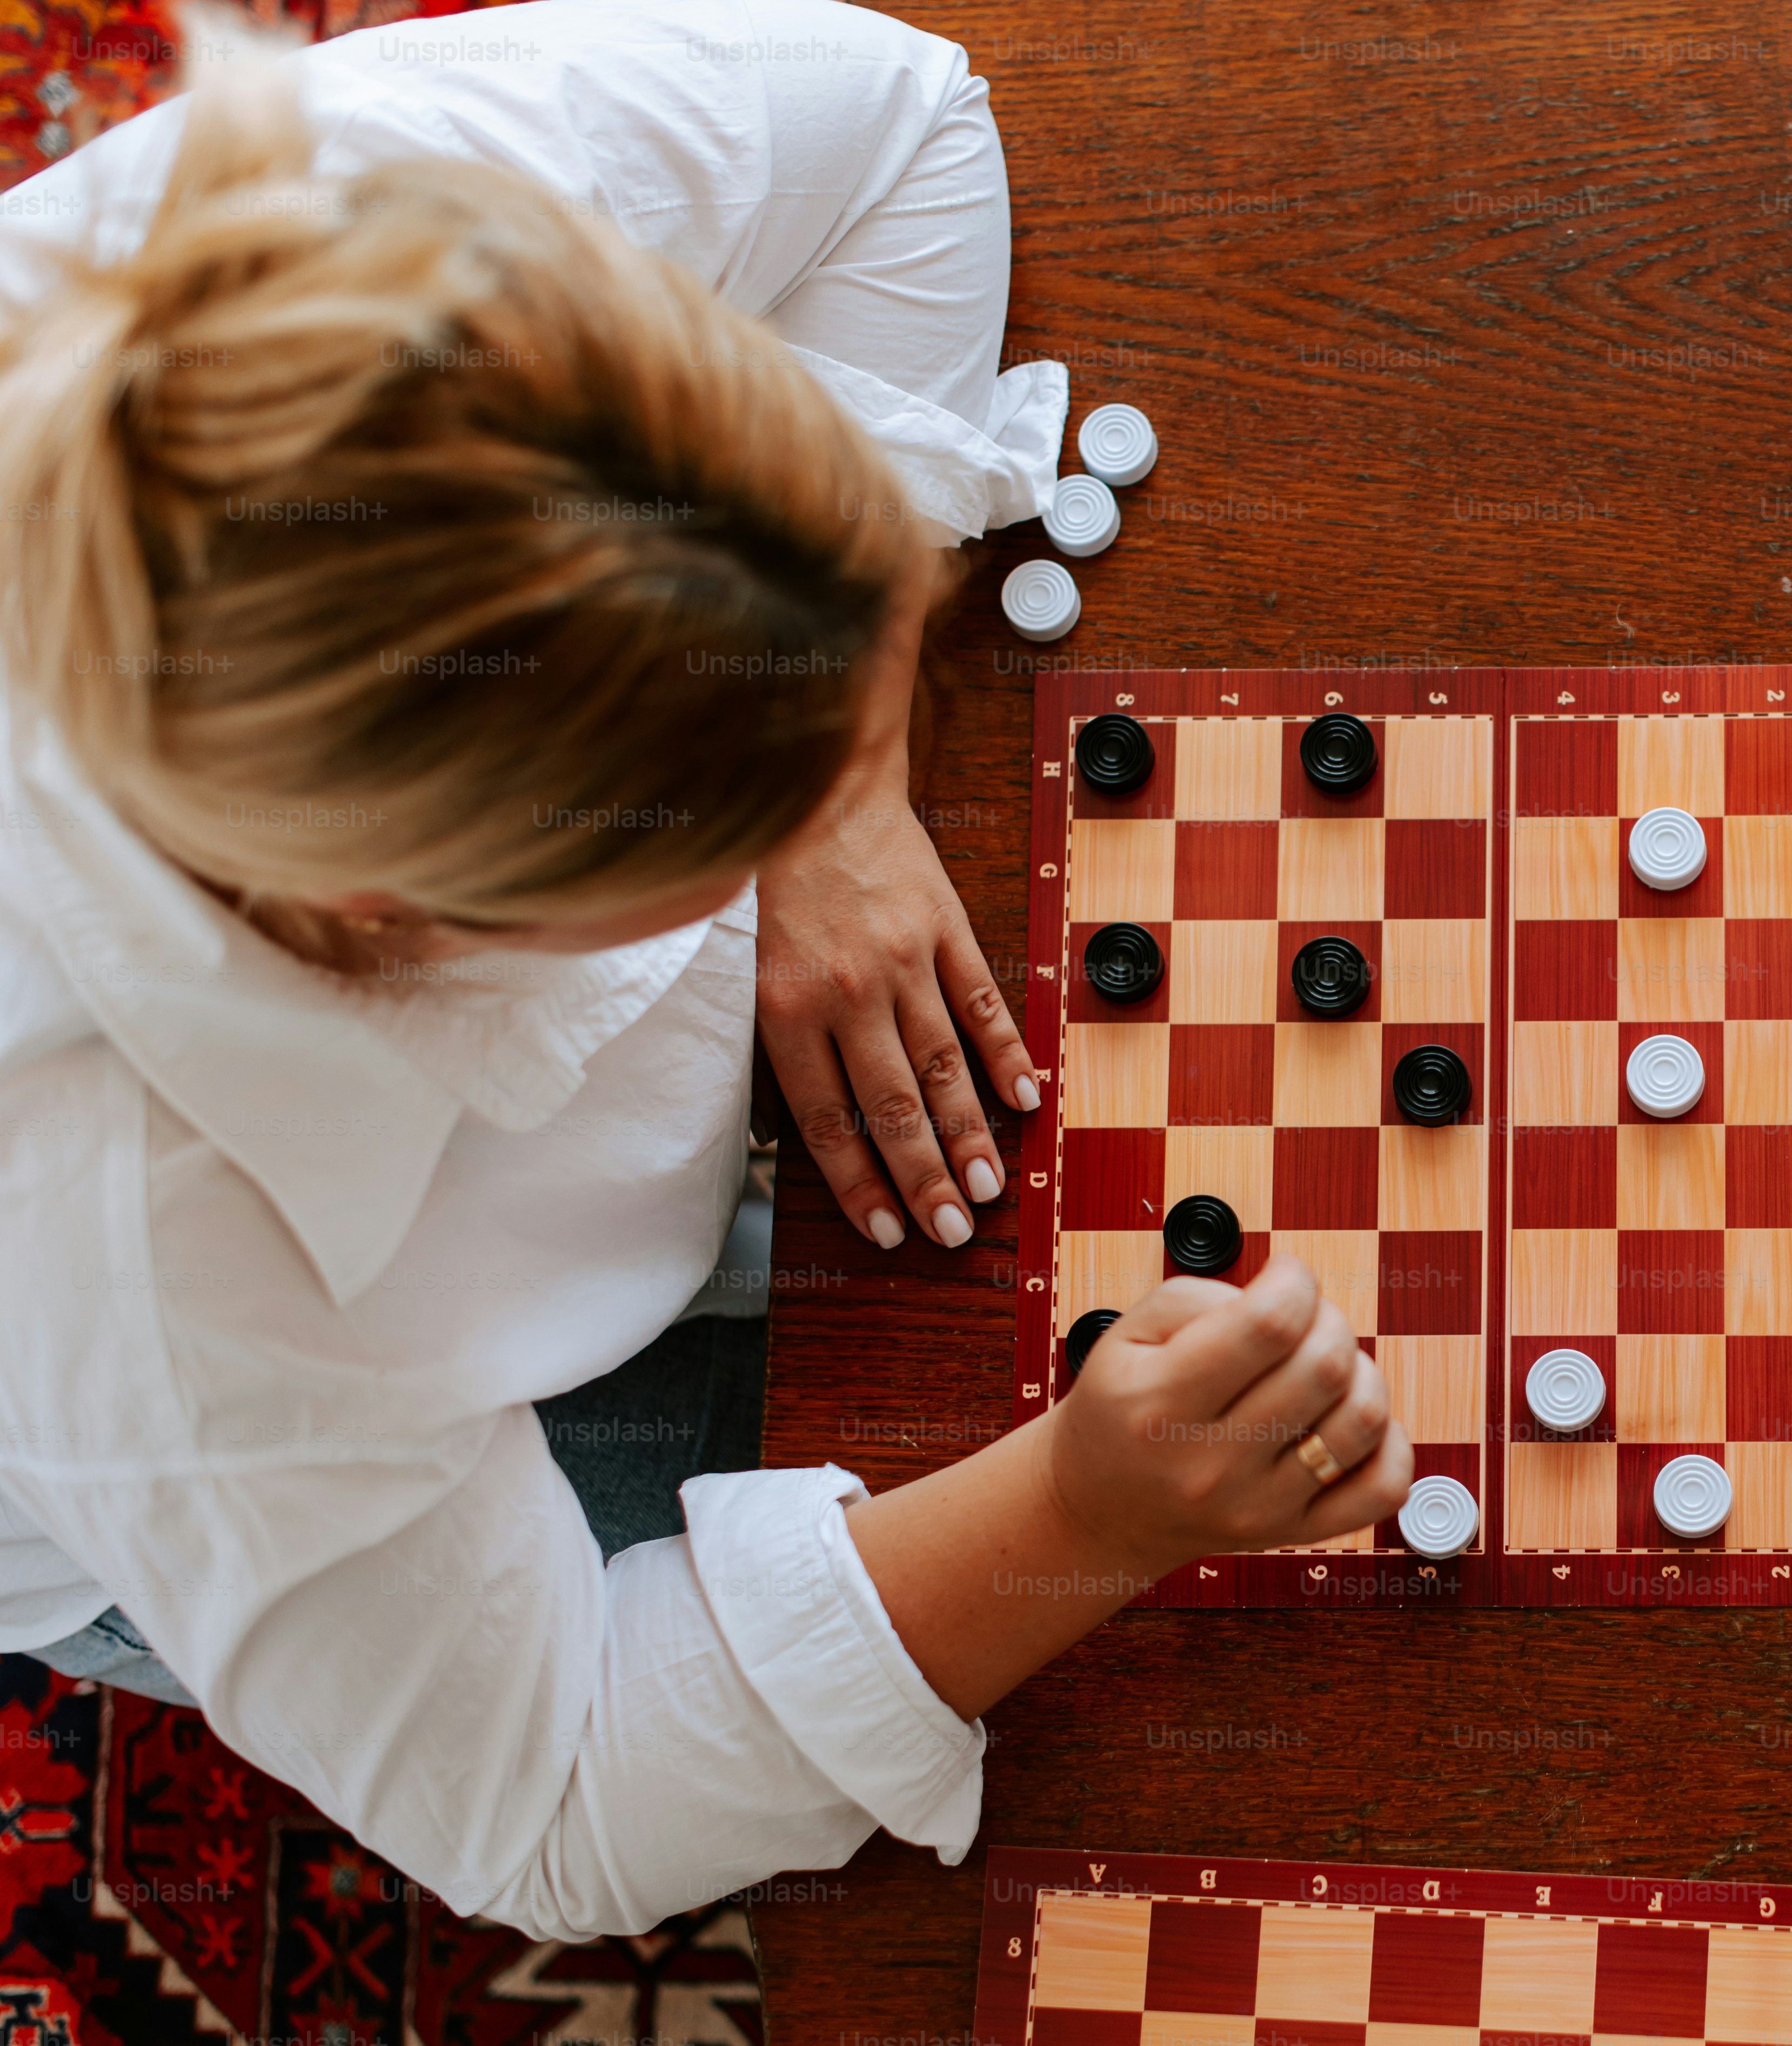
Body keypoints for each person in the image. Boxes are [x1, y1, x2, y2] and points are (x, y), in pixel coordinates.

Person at [0, 0, 1408, 1942]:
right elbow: (553, 1800)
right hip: (162, 1460)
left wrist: (846, 810)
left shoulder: (383, 218)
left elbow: (905, 126)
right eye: (743, 804)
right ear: (409, 924)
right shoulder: (158, 1296)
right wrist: (1079, 1517)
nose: (822, 763)